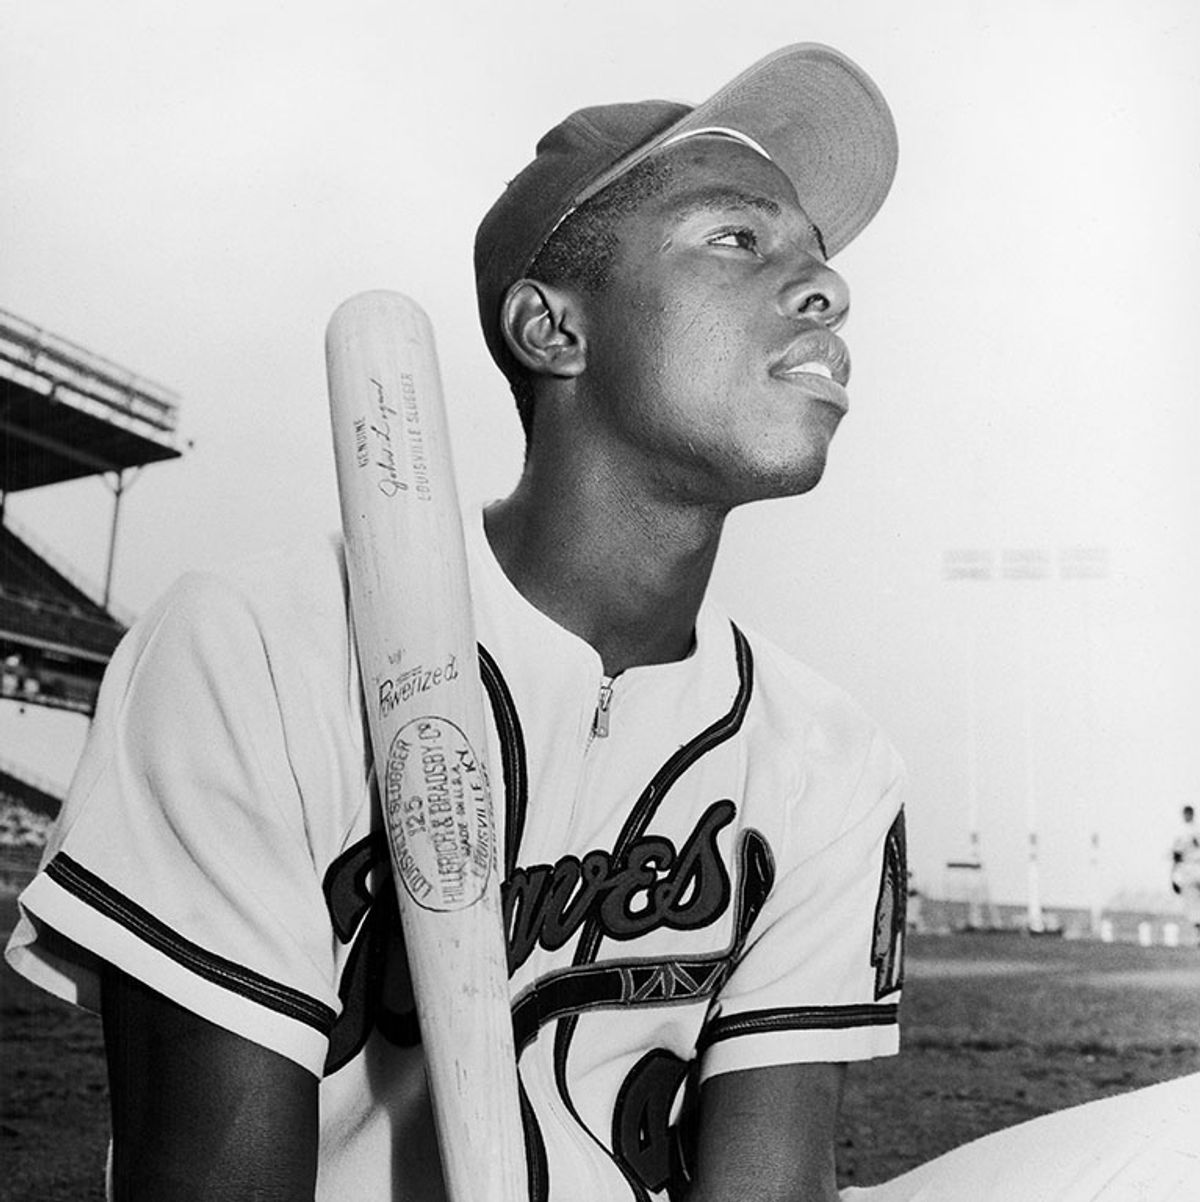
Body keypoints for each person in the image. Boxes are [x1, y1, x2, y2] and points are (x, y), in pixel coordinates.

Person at [5, 44, 907, 1201]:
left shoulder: (827, 757)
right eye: (739, 238)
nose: (829, 288)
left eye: (821, 258)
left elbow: (771, 1185)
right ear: (553, 328)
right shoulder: (263, 651)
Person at [1171, 804, 1200, 943]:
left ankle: (1198, 930)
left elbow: (1177, 855)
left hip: (1190, 870)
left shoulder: (1182, 832)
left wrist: (1173, 876)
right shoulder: (1196, 829)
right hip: (1194, 868)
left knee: (1192, 903)